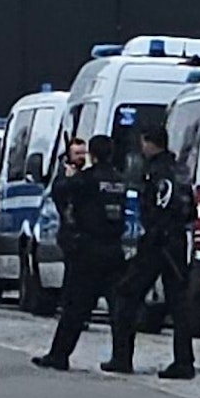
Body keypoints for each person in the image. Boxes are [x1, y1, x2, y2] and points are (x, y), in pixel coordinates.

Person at [106, 127, 196, 380]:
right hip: (176, 241)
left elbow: (161, 206)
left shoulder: (159, 172)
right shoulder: (180, 170)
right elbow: (190, 209)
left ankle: (122, 357)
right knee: (179, 304)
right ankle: (184, 360)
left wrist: (155, 235)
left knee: (127, 293)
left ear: (149, 143)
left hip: (159, 243)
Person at [34, 134, 128, 371]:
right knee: (119, 308)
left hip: (88, 250)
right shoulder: (119, 179)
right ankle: (122, 358)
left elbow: (59, 194)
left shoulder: (85, 179)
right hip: (114, 248)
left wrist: (67, 176)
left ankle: (59, 355)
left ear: (92, 155)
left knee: (75, 307)